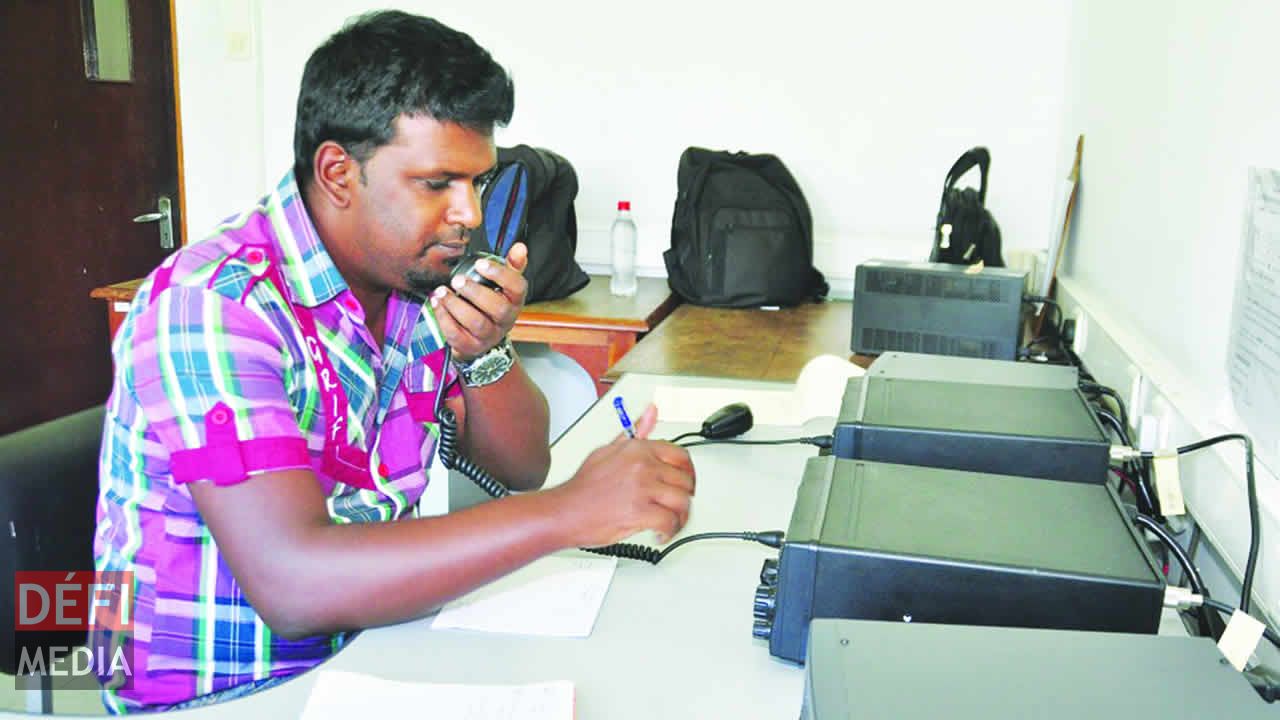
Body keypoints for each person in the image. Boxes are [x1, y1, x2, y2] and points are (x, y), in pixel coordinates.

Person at [93, 10, 695, 713]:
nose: (468, 214)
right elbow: (292, 585)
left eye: (478, 182)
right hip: (208, 697)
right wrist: (570, 513)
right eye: (438, 183)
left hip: (362, 654)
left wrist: (484, 351)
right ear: (338, 173)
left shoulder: (405, 280)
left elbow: (520, 467)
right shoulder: (215, 305)